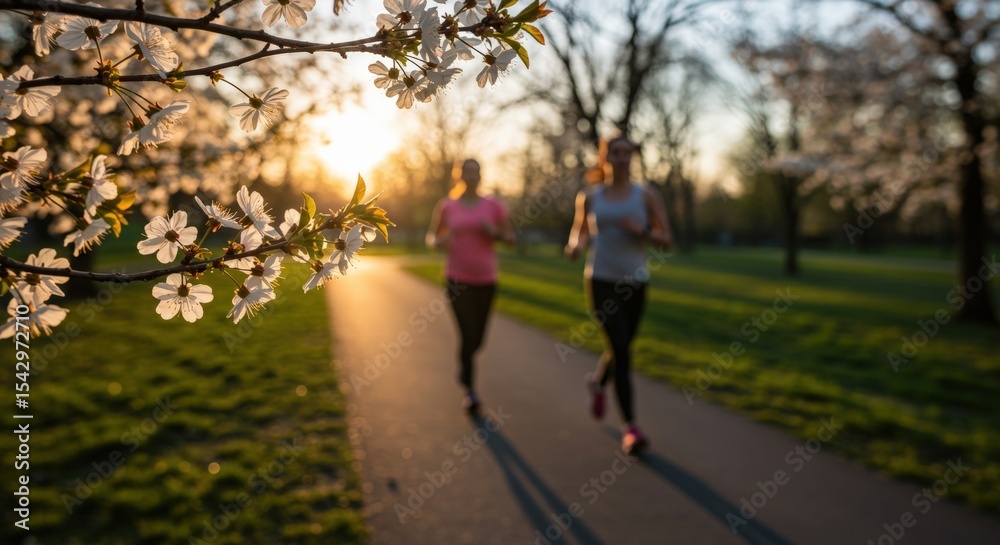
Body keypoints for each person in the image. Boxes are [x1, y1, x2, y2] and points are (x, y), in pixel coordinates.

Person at [565, 135, 674, 454]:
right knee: (623, 353)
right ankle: (632, 428)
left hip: (636, 283)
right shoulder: (590, 196)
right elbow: (581, 229)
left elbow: (667, 239)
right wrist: (576, 246)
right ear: (604, 158)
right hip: (599, 280)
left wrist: (641, 230)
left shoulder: (647, 195)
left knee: (621, 346)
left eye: (628, 153)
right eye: (616, 152)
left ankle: (598, 383)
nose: (623, 157)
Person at [426, 158, 515, 415]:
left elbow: (511, 238)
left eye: (476, 171)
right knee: (467, 333)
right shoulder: (447, 206)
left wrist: (494, 233)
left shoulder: (493, 206)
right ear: (459, 175)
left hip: (486, 280)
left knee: (478, 340)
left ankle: (465, 367)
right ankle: (471, 391)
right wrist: (440, 242)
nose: (472, 176)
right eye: (468, 171)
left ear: (481, 175)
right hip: (456, 279)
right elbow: (433, 237)